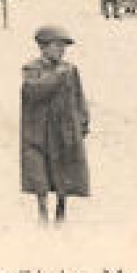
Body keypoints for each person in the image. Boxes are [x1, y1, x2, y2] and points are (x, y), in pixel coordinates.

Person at [20, 24, 90, 225]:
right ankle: (42, 212)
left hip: (64, 129)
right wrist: (56, 77)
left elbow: (79, 96)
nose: (61, 50)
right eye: (57, 46)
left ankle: (61, 210)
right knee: (40, 175)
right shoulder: (32, 69)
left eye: (63, 47)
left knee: (64, 171)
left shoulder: (70, 70)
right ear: (43, 47)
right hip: (39, 132)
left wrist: (83, 119)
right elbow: (33, 92)